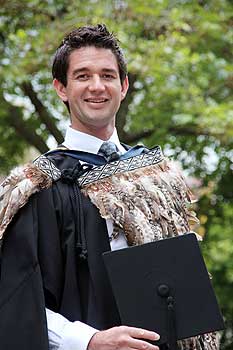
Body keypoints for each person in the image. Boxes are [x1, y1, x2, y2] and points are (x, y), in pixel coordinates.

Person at [0, 24, 219, 350]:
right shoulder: (41, 187)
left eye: (107, 75)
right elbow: (14, 301)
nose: (97, 87)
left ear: (124, 85)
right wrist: (89, 340)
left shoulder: (156, 176)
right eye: (83, 76)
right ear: (61, 88)